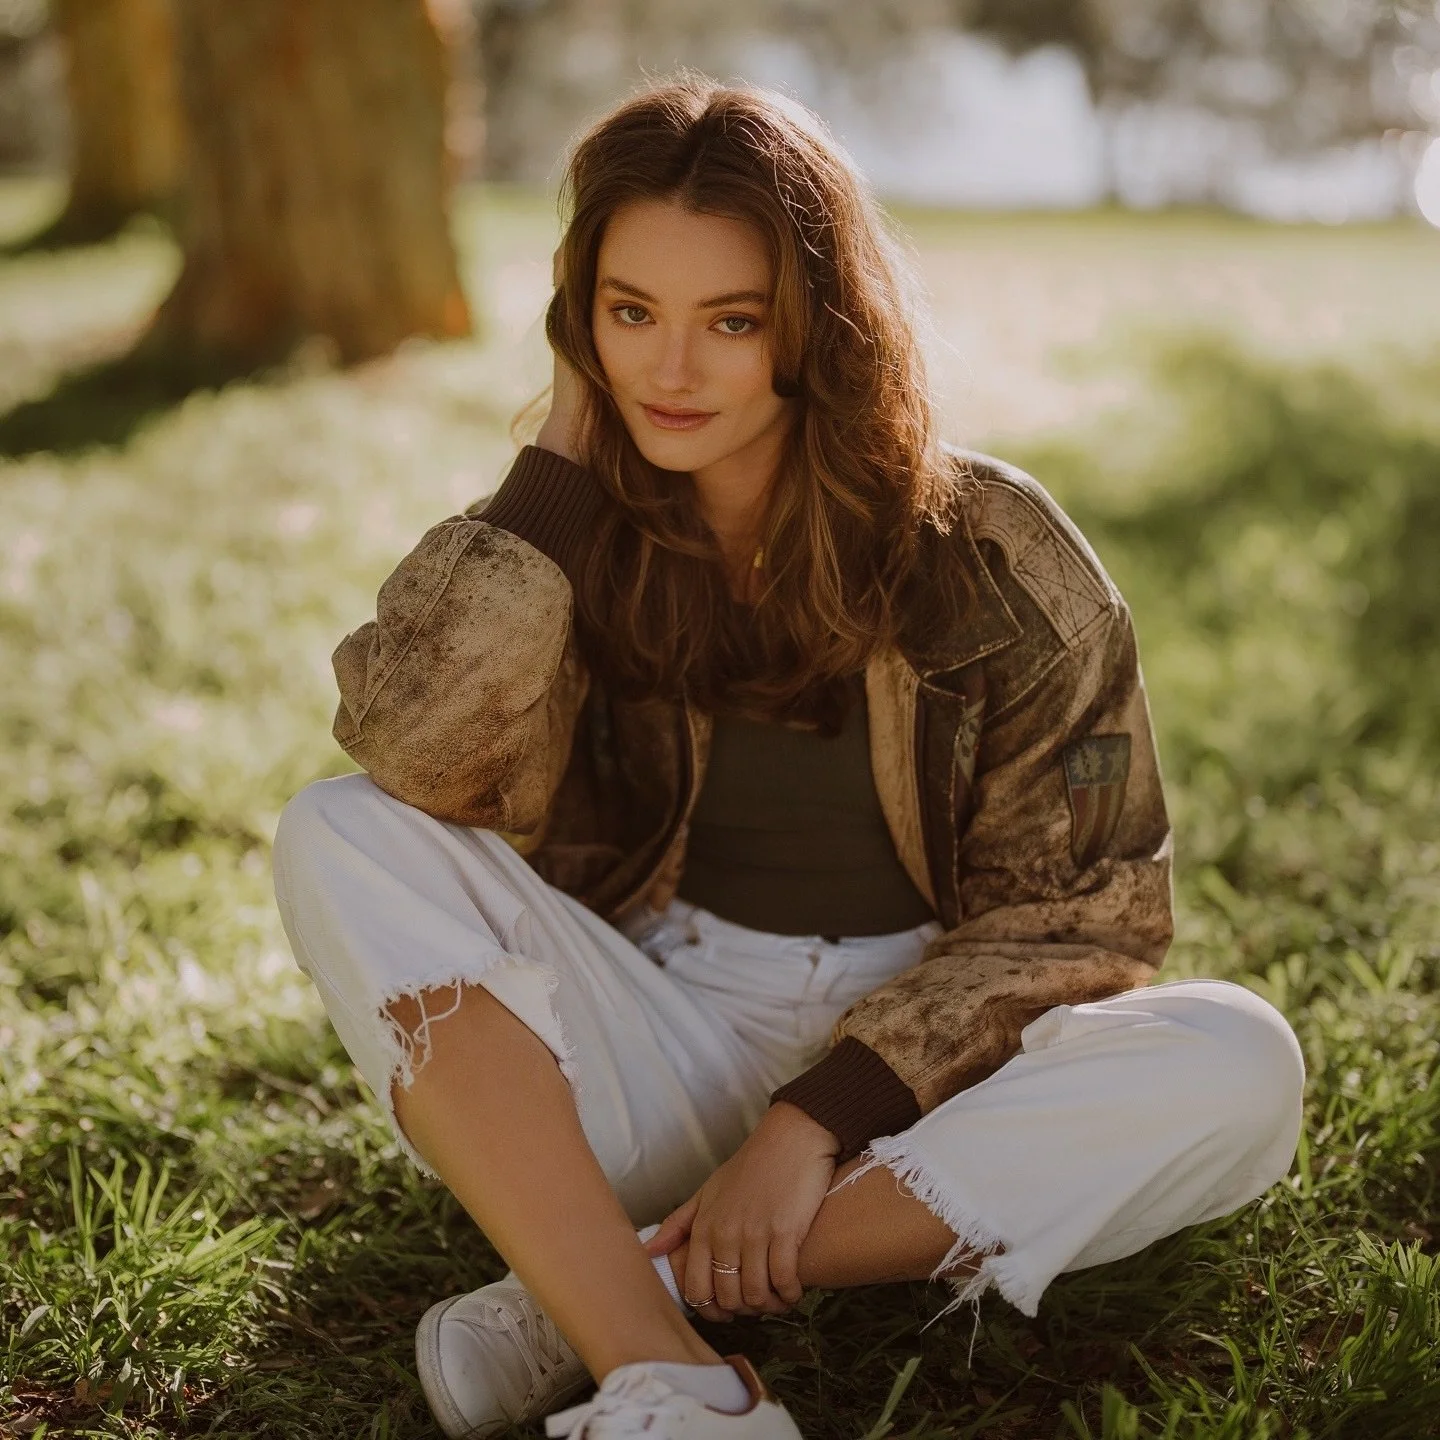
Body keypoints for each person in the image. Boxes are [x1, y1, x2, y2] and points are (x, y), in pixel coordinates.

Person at [271, 72, 1306, 1440]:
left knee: (1243, 1061)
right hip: (659, 1025)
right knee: (334, 830)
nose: (671, 371)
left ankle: (614, 1283)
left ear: (819, 328)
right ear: (582, 319)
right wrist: (559, 455)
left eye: (731, 321)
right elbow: (412, 754)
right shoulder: (566, 529)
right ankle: (682, 1380)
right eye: (629, 313)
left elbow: (1091, 915)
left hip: (937, 1077)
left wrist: (812, 1117)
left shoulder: (993, 555)